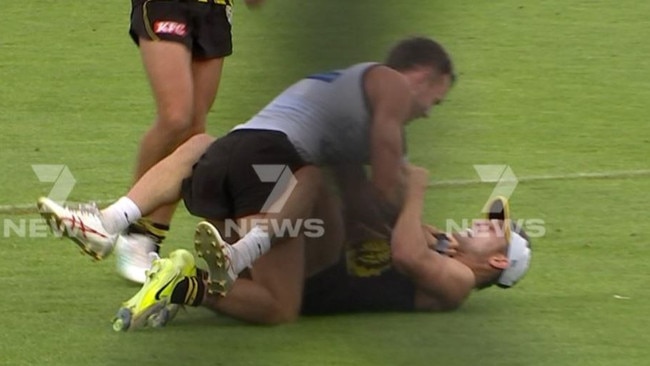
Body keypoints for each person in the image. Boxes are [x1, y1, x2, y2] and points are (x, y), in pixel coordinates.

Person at [38, 35, 455, 329]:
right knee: (278, 303)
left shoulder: (347, 85)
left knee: (201, 143)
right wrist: (411, 196)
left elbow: (355, 190)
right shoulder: (392, 88)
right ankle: (221, 264)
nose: (430, 112)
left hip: (225, 157)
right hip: (268, 166)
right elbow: (382, 187)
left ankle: (109, 221)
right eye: (436, 99)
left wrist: (402, 221)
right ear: (419, 75)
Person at [115, 167, 531, 328]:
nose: (482, 221)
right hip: (316, 265)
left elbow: (404, 252)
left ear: (497, 261)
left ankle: (210, 261)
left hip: (319, 282)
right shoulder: (444, 247)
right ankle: (180, 282)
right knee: (310, 184)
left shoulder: (458, 283)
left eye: (495, 229)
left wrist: (415, 192)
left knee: (313, 182)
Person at [116, 0, 267, 284]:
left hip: (214, 9)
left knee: (194, 131)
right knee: (176, 117)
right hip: (167, 5)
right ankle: (131, 226)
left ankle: (151, 236)